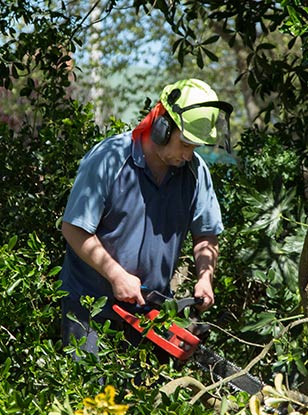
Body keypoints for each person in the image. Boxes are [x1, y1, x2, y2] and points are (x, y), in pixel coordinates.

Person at [59, 78, 233, 356]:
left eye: (195, 147)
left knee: (143, 398)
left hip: (150, 314)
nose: (189, 155)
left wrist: (205, 277)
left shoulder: (195, 173)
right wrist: (116, 275)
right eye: (185, 144)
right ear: (162, 127)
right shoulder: (110, 159)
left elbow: (206, 233)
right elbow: (74, 229)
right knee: (89, 397)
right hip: (90, 310)